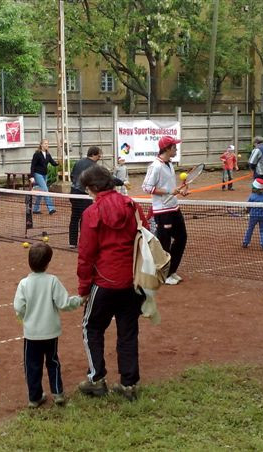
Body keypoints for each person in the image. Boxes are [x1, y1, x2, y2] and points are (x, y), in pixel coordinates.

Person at [77, 165, 146, 402]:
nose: (87, 192)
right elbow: (145, 235)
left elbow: (86, 254)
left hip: (104, 282)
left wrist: (84, 289)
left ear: (94, 188)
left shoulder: (91, 213)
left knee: (91, 327)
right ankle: (129, 384)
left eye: (87, 189)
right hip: (131, 282)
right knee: (128, 332)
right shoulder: (132, 206)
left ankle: (97, 379)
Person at [13, 243, 82, 408]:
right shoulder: (52, 281)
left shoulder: (24, 283)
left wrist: (23, 318)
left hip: (31, 334)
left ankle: (35, 397)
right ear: (47, 263)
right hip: (50, 332)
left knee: (32, 365)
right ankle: (58, 393)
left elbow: (18, 307)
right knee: (53, 362)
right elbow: (64, 303)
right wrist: (80, 300)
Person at [141, 136, 188, 286]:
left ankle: (171, 270)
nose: (176, 149)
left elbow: (170, 188)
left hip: (174, 208)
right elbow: (147, 187)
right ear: (167, 149)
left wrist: (180, 191)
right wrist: (169, 191)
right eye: (174, 147)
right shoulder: (155, 166)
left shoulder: (170, 164)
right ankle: (164, 274)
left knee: (182, 238)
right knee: (164, 243)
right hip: (162, 211)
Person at [68, 146, 130, 248]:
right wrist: (122, 182)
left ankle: (72, 243)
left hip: (73, 193)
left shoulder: (78, 162)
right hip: (84, 196)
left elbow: (72, 176)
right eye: (99, 155)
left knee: (74, 218)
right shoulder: (94, 167)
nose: (100, 157)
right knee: (85, 219)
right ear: (93, 155)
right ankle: (84, 242)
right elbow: (109, 178)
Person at [30, 139, 58, 215]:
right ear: (41, 145)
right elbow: (33, 165)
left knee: (41, 192)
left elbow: (53, 163)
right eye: (45, 144)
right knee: (45, 190)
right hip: (37, 174)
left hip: (44, 175)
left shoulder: (48, 154)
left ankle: (35, 209)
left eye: (47, 144)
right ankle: (51, 208)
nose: (46, 145)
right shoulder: (37, 154)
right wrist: (32, 176)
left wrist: (59, 163)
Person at [242, 178, 263, 251]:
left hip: (253, 216)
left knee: (250, 229)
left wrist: (246, 211)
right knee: (262, 230)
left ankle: (245, 242)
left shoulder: (252, 196)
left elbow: (248, 206)